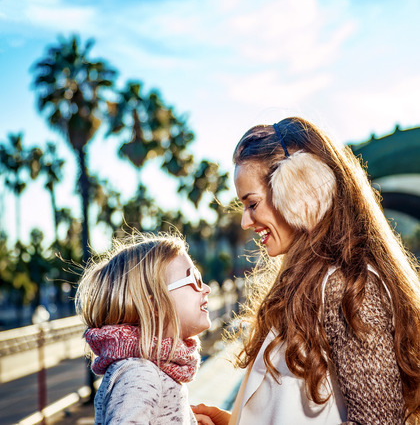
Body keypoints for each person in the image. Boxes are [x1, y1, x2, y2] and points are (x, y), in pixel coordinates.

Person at [192, 117, 420, 425]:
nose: (246, 222)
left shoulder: (347, 287)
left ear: (299, 189)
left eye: (252, 203)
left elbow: (378, 420)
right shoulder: (315, 283)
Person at [75, 232, 211, 424]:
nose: (206, 288)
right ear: (155, 305)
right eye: (194, 279)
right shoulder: (140, 374)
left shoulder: (154, 368)